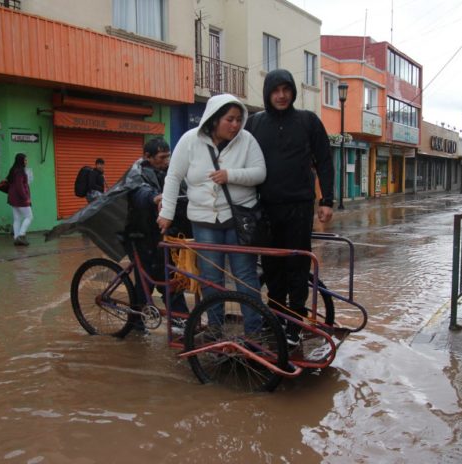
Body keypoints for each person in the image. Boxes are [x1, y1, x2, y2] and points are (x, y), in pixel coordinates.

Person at [157, 94, 266, 335]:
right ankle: (215, 329)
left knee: (245, 276)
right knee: (210, 278)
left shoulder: (247, 140)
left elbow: (260, 173)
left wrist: (231, 175)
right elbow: (173, 177)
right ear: (214, 119)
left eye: (239, 119)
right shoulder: (189, 141)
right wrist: (167, 212)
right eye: (230, 119)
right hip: (204, 222)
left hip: (238, 220)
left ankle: (255, 333)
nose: (236, 125)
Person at [244, 69, 334, 347]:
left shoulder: (308, 121)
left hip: (299, 206)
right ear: (267, 93)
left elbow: (325, 161)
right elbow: (237, 160)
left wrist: (327, 201)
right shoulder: (255, 124)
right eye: (275, 90)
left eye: (286, 89)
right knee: (272, 268)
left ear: (293, 92)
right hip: (265, 209)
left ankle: (295, 323)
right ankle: (278, 318)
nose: (281, 96)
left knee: (297, 265)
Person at [123, 138, 190, 332]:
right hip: (141, 236)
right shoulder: (136, 173)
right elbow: (139, 194)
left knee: (171, 279)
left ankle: (181, 322)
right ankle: (136, 325)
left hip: (164, 235)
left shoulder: (171, 172)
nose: (166, 161)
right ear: (148, 157)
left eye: (168, 156)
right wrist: (155, 197)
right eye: (162, 157)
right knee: (145, 283)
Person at [6, 153, 33, 246]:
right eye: (25, 160)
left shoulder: (13, 170)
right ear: (21, 161)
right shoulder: (20, 171)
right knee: (29, 217)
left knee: (17, 219)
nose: (26, 162)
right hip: (20, 198)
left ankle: (16, 238)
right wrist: (25, 198)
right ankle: (21, 235)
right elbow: (19, 186)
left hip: (13, 198)